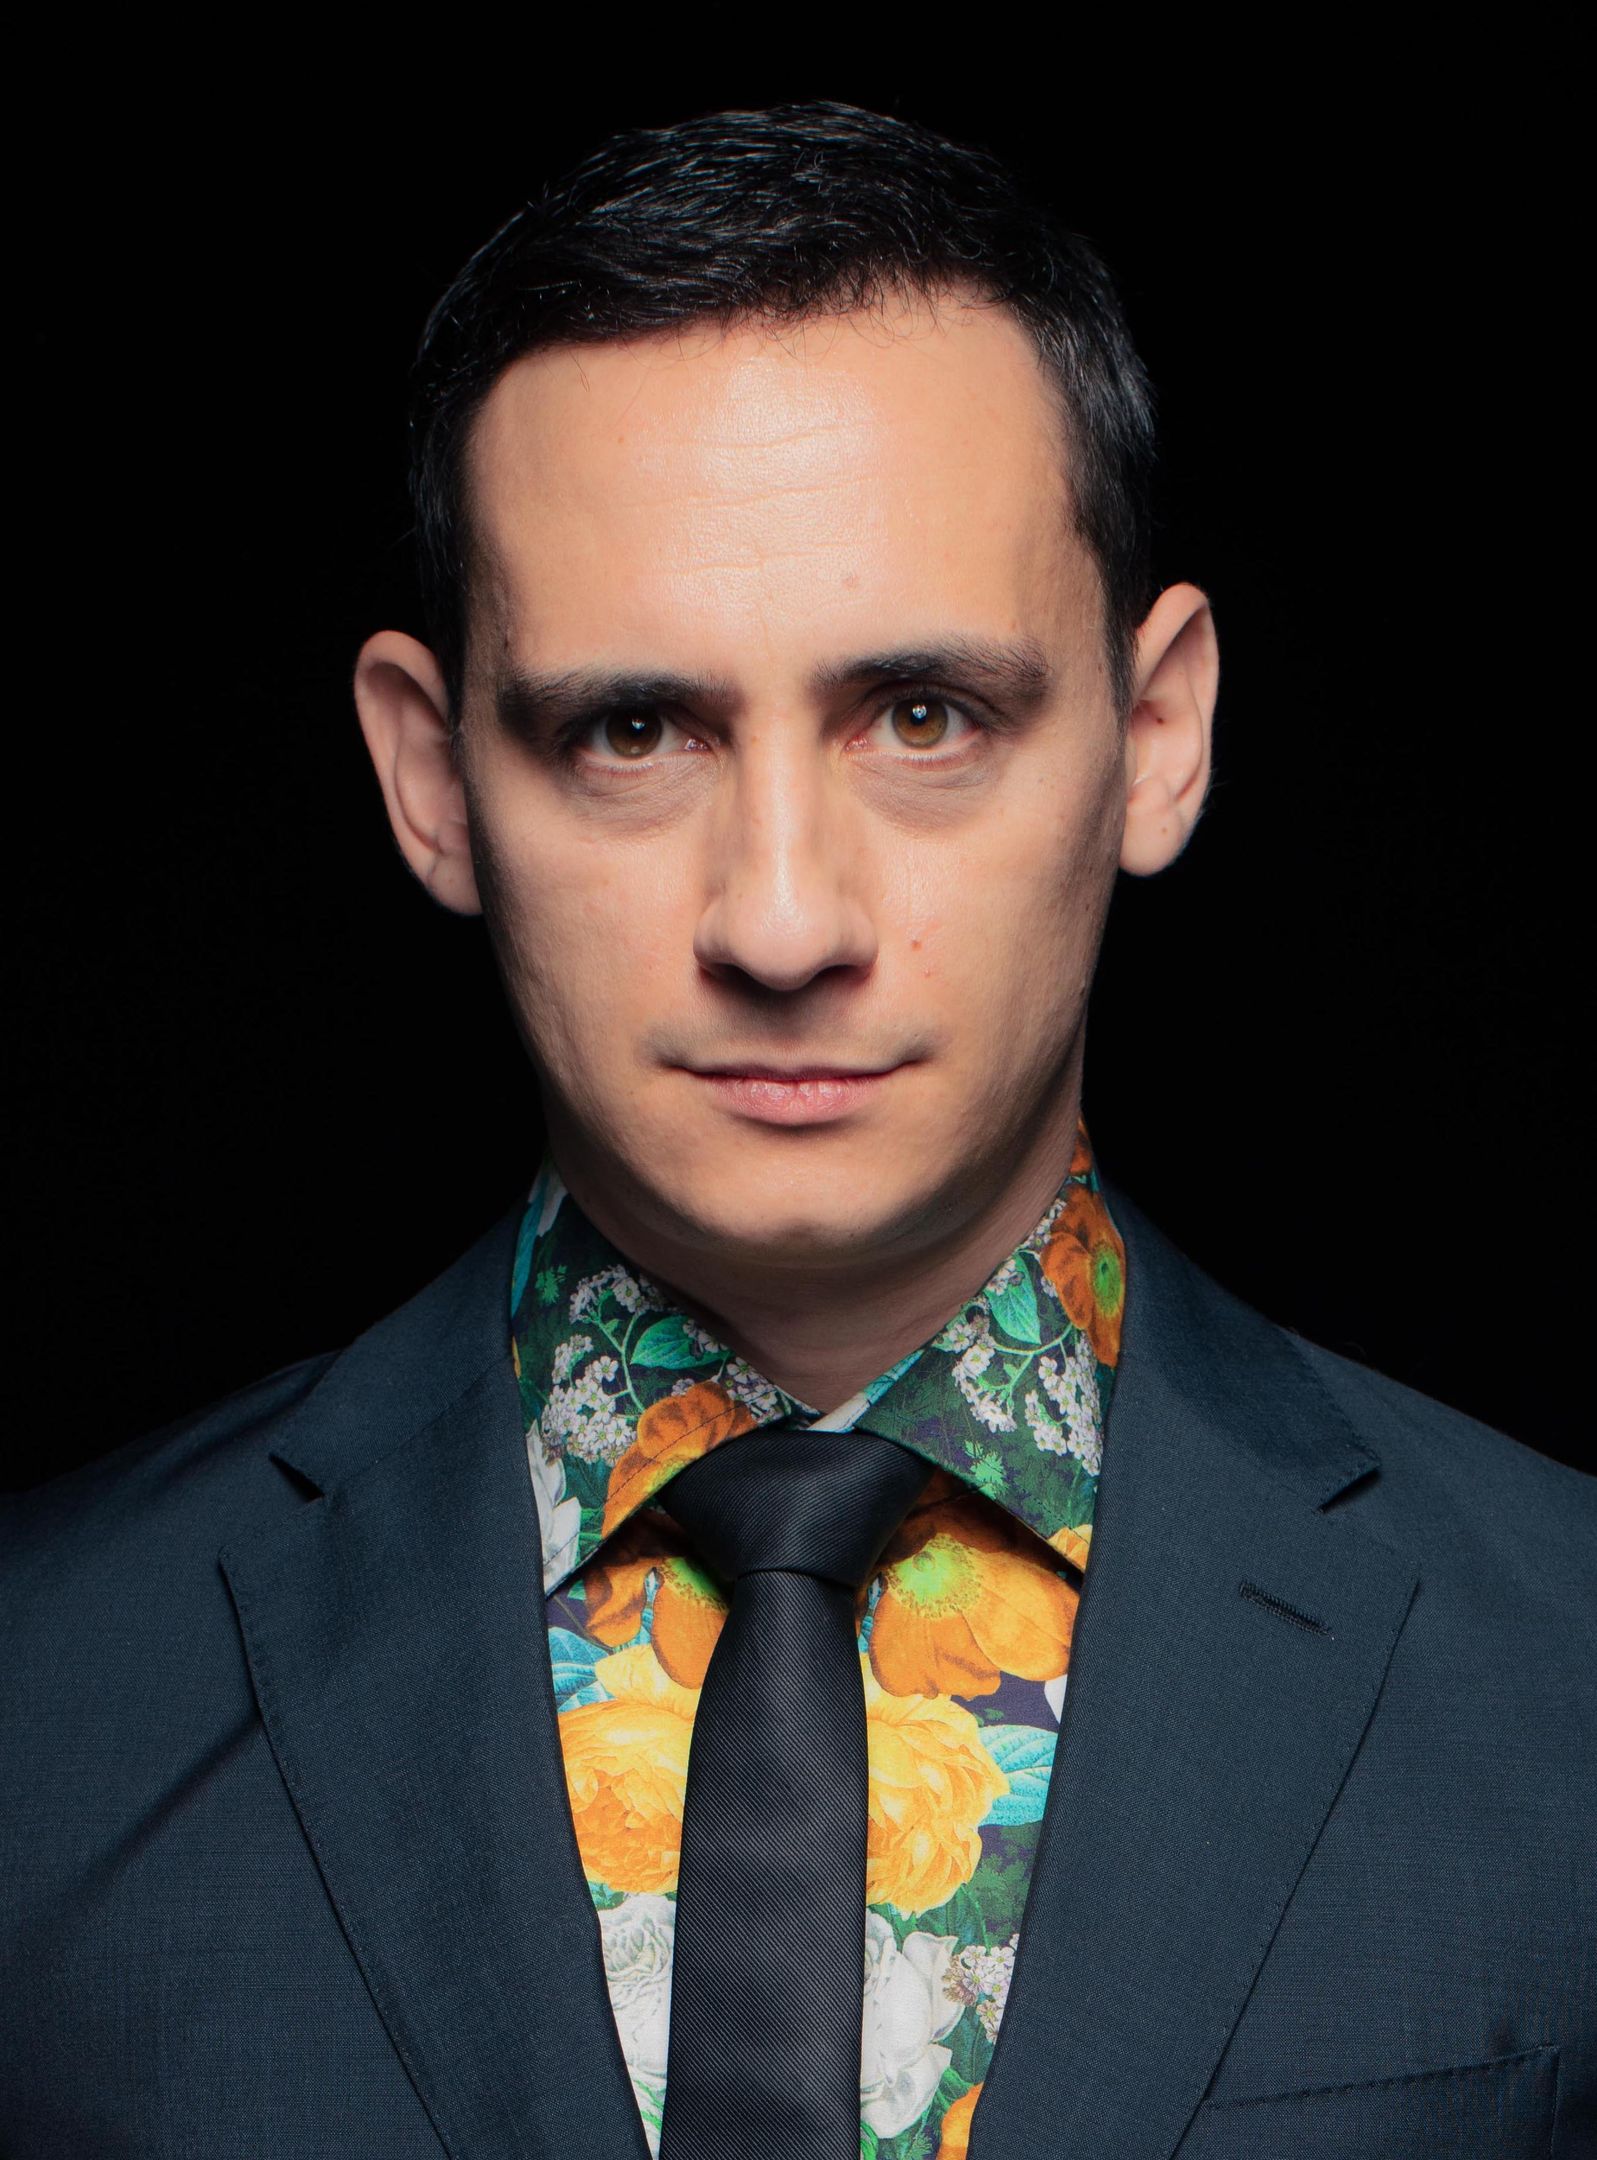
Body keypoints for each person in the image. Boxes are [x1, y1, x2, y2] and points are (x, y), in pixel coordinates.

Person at [1, 100, 1591, 2160]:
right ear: (430, 778)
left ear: (1156, 734)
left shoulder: (1564, 1676)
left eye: (924, 717)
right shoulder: (44, 1700)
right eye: (630, 730)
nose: (778, 921)